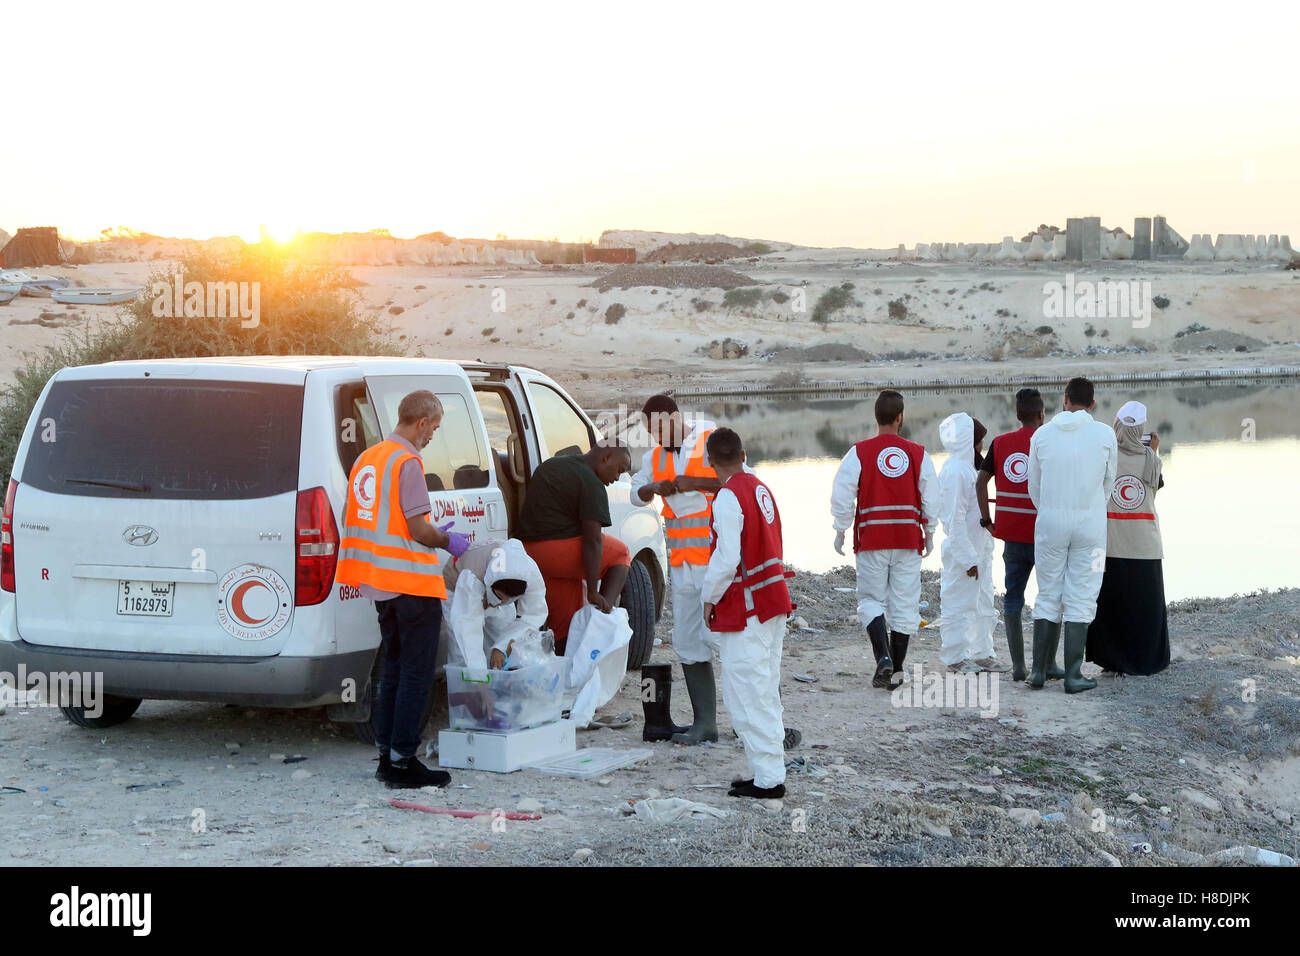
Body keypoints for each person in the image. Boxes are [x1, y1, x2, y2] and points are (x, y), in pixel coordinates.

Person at [337, 390, 471, 789]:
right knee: (416, 673)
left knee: (392, 671)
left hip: (380, 585)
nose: (433, 436)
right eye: (435, 428)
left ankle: (387, 757)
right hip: (412, 583)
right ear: (422, 422)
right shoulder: (408, 462)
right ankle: (404, 761)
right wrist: (449, 541)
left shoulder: (368, 459)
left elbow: (374, 519)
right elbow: (416, 528)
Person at [701, 428, 794, 799]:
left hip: (749, 608)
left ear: (710, 462)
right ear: (744, 453)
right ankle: (767, 771)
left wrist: (709, 597)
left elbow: (726, 558)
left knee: (747, 693)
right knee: (764, 689)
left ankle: (769, 779)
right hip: (773, 600)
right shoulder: (760, 487)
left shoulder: (727, 497)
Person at [830, 389, 938, 689]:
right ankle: (897, 671)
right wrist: (929, 532)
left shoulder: (859, 452)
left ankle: (883, 660)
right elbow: (931, 496)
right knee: (905, 605)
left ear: (876, 417)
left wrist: (840, 528)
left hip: (872, 538)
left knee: (870, 601)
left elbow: (842, 494)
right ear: (901, 417)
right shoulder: (919, 453)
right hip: (907, 538)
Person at [630, 395, 719, 743]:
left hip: (717, 566)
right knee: (688, 642)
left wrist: (694, 483)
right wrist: (653, 487)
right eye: (650, 432)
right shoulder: (655, 457)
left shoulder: (710, 439)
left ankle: (758, 723)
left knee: (732, 644)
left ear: (675, 417)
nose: (655, 438)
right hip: (683, 567)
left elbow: (739, 483)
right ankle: (705, 725)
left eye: (658, 429)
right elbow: (637, 493)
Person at [1026, 376, 1117, 693]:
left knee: (1048, 591)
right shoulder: (1105, 434)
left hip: (1050, 520)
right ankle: (1074, 675)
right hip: (1090, 525)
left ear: (1065, 399)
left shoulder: (1042, 434)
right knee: (1082, 593)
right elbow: (1109, 482)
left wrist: (1051, 509)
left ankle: (1039, 670)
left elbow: (1032, 486)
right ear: (1092, 404)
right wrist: (1090, 508)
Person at [977, 387, 1061, 682]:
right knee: (1050, 598)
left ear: (1017, 414)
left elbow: (981, 481)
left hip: (1012, 536)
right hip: (1047, 536)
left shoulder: (1000, 443)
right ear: (1042, 415)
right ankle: (1047, 664)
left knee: (1013, 598)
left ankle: (1018, 667)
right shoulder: (1052, 442)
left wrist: (986, 519)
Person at [516, 444, 633, 653]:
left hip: (527, 553)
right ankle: (601, 618)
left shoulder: (551, 465)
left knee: (564, 626)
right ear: (606, 457)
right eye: (619, 470)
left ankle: (561, 670)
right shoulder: (591, 481)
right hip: (557, 551)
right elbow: (593, 540)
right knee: (620, 554)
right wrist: (594, 592)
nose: (617, 478)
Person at [1087, 401, 1170, 676]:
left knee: (1112, 604)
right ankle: (1145, 661)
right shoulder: (1151, 459)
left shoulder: (1104, 457)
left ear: (1117, 427)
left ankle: (1113, 662)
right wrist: (1153, 452)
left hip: (1111, 542)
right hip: (1144, 543)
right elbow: (1151, 496)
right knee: (1144, 606)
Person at [937, 413, 1004, 673]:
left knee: (983, 602)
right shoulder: (955, 472)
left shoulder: (968, 468)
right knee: (958, 603)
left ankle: (982, 653)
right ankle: (954, 657)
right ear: (969, 441)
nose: (982, 447)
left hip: (979, 550)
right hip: (963, 553)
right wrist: (967, 559)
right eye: (980, 442)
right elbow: (953, 521)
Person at [444, 538, 548, 670]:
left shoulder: (531, 577)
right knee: (462, 652)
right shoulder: (472, 577)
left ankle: (495, 677)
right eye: (499, 597)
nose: (502, 602)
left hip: (494, 586)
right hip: (457, 587)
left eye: (509, 599)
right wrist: (479, 677)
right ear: (489, 583)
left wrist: (500, 647)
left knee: (500, 637)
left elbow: (531, 617)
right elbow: (467, 629)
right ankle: (466, 687)